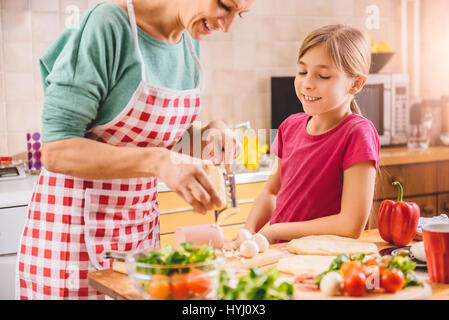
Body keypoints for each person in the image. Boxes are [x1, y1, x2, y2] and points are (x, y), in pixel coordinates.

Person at [16, 0, 255, 300]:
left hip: (139, 237)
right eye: (224, 5)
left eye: (240, 15)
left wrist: (209, 134)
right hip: (73, 244)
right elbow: (56, 149)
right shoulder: (108, 25)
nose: (227, 25)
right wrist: (158, 161)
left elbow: (152, 137)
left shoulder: (189, 38)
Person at [244, 24, 380, 244]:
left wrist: (275, 231)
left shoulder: (357, 133)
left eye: (323, 76)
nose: (307, 84)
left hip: (321, 258)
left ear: (356, 83)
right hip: (278, 253)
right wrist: (248, 230)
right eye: (302, 72)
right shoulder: (289, 127)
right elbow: (270, 192)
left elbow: (350, 225)